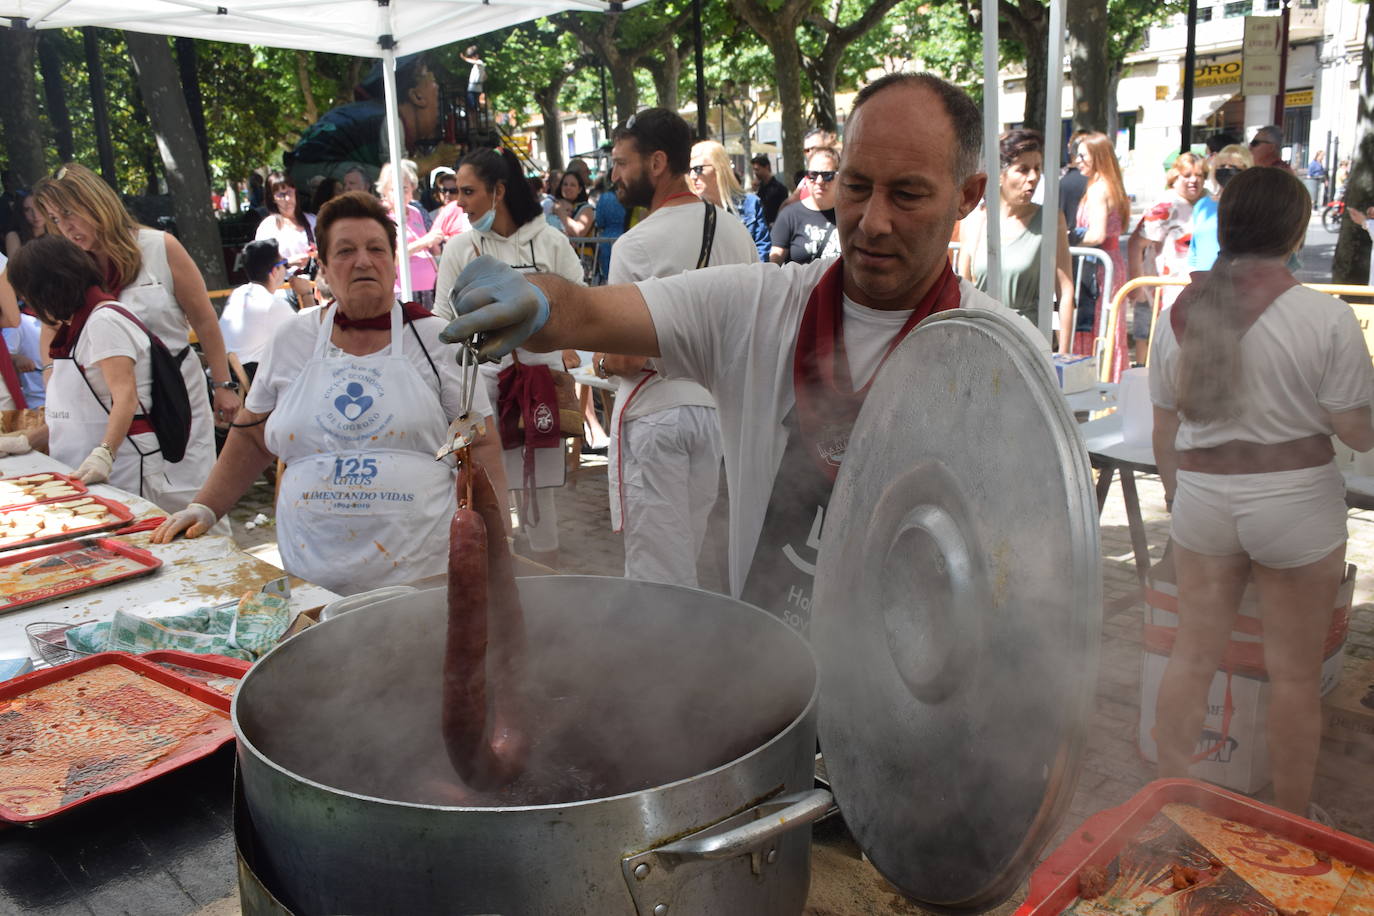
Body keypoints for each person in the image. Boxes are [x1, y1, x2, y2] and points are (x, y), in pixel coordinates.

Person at [439, 73, 1045, 633]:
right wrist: (537, 301)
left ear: (967, 197)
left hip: (919, 694)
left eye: (908, 195)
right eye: (856, 187)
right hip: (770, 676)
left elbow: (1026, 566)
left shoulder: (1003, 358)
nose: (873, 221)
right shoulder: (758, 308)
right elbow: (588, 310)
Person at [1149, 167, 1374, 816]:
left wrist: (1177, 496)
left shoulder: (1179, 311)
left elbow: (1166, 424)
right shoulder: (1325, 318)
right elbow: (1355, 428)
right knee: (1296, 679)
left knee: (1192, 656)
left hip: (1205, 505)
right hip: (1296, 506)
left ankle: (1167, 800)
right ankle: (1292, 822)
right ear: (1297, 232)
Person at [150, 192, 504, 594]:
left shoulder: (437, 339)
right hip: (311, 577)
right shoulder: (293, 338)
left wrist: (497, 544)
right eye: (345, 251)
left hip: (422, 577)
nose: (363, 261)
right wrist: (205, 506)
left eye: (376, 249)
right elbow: (251, 436)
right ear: (324, 267)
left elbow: (482, 444)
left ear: (393, 262)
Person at [590, 109, 757, 588]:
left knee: (656, 568)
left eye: (623, 163)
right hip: (712, 416)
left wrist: (598, 360)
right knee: (688, 551)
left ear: (657, 162)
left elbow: (623, 357)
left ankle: (665, 657)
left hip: (656, 415)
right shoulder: (735, 231)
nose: (615, 175)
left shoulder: (635, 245)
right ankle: (688, 650)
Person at [34, 163, 242, 514]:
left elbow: (205, 320)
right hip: (108, 407)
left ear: (96, 202)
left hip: (177, 394)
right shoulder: (70, 265)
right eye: (55, 219)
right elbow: (51, 327)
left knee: (192, 499)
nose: (66, 227)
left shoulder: (159, 246)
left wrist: (223, 383)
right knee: (122, 507)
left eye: (70, 213)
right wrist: (54, 383)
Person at [432, 148, 584, 569]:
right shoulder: (460, 248)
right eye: (455, 191)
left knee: (540, 495)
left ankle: (547, 588)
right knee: (486, 492)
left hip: (538, 385)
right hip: (480, 389)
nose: (458, 202)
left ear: (498, 191)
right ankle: (499, 583)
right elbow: (441, 321)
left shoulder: (550, 241)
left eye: (467, 191)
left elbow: (581, 303)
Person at [8, 236, 175, 495]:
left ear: (48, 288)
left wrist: (105, 453)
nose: (28, 304)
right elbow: (75, 415)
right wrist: (25, 440)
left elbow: (126, 398)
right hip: (82, 467)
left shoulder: (103, 321)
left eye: (28, 295)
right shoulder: (79, 324)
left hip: (125, 465)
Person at [956, 128, 1074, 332]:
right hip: (981, 335)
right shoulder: (976, 220)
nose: (1033, 177)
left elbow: (1065, 290)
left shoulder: (1051, 220)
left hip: (1028, 337)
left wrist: (1063, 354)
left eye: (1038, 168)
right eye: (1023, 169)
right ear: (1000, 175)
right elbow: (963, 289)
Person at [284, 53, 457, 191]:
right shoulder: (389, 119)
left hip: (307, 166)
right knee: (387, 183)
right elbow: (398, 171)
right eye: (432, 81)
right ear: (417, 96)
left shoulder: (374, 111)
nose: (437, 89)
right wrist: (437, 159)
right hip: (313, 170)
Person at [1125, 151, 1208, 364]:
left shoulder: (1209, 202)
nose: (1193, 180)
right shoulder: (1166, 205)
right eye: (1187, 175)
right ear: (1175, 178)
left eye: (1199, 175)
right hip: (1163, 289)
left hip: (1199, 290)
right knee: (1152, 340)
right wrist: (1138, 287)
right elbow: (1136, 242)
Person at [1069, 132, 1130, 380]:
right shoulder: (1112, 185)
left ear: (1098, 156)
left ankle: (1096, 381)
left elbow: (1096, 235)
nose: (1077, 160)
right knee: (1109, 325)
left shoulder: (1098, 189)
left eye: (1083, 155)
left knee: (1097, 325)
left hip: (1099, 268)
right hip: (1110, 263)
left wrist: (1068, 239)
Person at [220, 239, 296, 380]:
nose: (286, 268)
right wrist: (306, 294)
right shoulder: (273, 304)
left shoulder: (238, 293)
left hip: (227, 375)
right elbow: (308, 336)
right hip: (249, 379)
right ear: (274, 271)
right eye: (284, 264)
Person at [690, 140, 770, 262]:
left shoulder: (750, 204)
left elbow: (761, 253)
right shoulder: (690, 210)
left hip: (746, 278)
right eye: (690, 169)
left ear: (719, 168)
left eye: (698, 169)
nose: (693, 176)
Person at [377, 160, 440, 308]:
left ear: (412, 189)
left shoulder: (416, 212)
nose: (400, 194)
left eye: (405, 188)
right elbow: (393, 258)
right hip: (403, 291)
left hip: (429, 288)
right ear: (384, 192)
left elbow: (428, 246)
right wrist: (424, 242)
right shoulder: (381, 217)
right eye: (394, 189)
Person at [254, 171, 318, 310]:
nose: (287, 199)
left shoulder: (313, 221)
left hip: (313, 288)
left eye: (289, 192)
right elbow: (261, 265)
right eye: (281, 195)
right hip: (284, 292)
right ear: (272, 198)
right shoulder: (268, 227)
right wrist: (288, 263)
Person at [769, 147, 841, 265]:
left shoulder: (849, 214)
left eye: (827, 175)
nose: (819, 181)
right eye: (813, 174)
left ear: (839, 176)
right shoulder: (789, 215)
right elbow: (773, 266)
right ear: (806, 178)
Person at [1189, 144, 1251, 272]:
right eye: (1221, 166)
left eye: (1233, 167)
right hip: (1202, 281)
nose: (1226, 170)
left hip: (1237, 282)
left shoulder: (1252, 206)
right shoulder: (1202, 205)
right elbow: (1193, 252)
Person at [592, 175, 627, 284]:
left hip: (606, 239)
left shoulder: (605, 197)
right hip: (625, 235)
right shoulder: (630, 196)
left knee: (609, 276)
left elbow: (599, 220)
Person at [551, 170, 596, 238]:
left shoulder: (587, 208)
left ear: (579, 189)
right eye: (565, 184)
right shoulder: (553, 204)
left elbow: (579, 232)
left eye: (573, 185)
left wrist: (560, 212)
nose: (568, 187)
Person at [5, 190, 48, 258]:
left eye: (38, 206)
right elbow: (16, 267)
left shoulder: (57, 226)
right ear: (21, 212)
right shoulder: (14, 236)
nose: (35, 214)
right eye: (27, 209)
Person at [751, 154, 788, 227]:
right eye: (754, 170)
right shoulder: (759, 187)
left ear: (766, 167)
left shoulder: (780, 188)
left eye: (757, 169)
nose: (755, 173)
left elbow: (784, 210)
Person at [461, 46, 486, 128]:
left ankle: (474, 125)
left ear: (476, 56)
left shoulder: (480, 62)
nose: (472, 59)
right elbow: (485, 76)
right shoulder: (479, 67)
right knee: (472, 108)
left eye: (473, 57)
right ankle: (474, 124)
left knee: (472, 108)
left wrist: (464, 58)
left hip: (473, 89)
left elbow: (474, 62)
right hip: (475, 88)